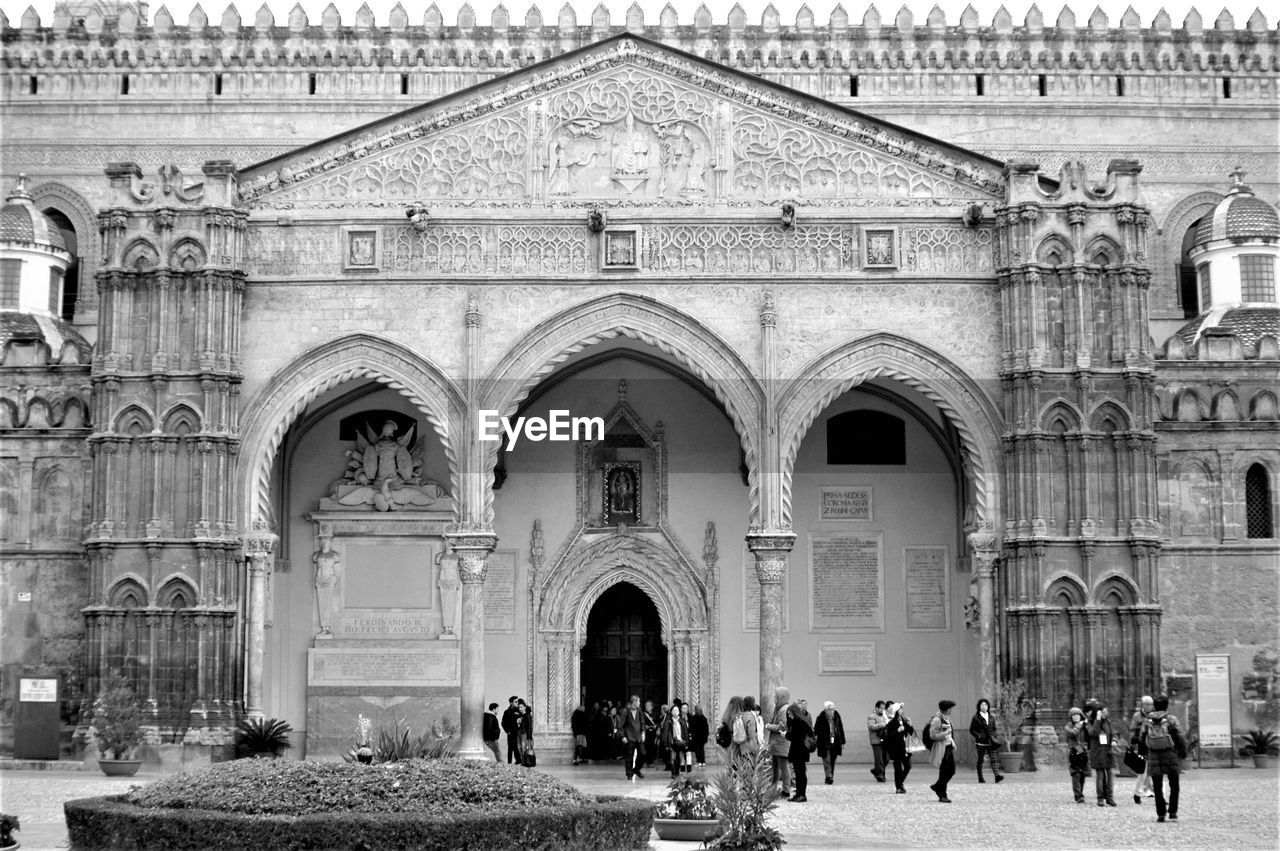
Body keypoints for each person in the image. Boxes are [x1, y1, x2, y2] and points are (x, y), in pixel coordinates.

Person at [1141, 695, 1187, 823]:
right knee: (1174, 784)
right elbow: (1180, 736)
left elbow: (1142, 736)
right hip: (1170, 753)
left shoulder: (1147, 720)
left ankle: (1161, 814)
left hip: (1154, 754)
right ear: (1167, 705)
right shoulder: (1171, 719)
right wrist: (1183, 751)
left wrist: (1144, 751)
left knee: (1157, 786)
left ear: (1155, 705)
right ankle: (1172, 812)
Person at [1085, 699, 1117, 806]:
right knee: (1100, 775)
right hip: (1097, 752)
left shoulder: (1108, 722)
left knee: (1110, 774)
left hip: (1108, 751)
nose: (1105, 714)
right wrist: (1097, 720)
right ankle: (1100, 798)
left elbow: (1114, 733)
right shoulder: (1090, 722)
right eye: (1102, 712)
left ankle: (1110, 797)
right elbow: (1093, 733)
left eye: (1105, 712)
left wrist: (1114, 741)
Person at [764, 686, 794, 799]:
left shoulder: (784, 709)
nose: (775, 698)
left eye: (776, 696)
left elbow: (782, 726)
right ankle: (773, 787)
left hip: (781, 743)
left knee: (783, 767)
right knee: (775, 766)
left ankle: (786, 789)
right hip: (777, 744)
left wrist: (769, 726)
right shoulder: (781, 708)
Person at [882, 701, 915, 794]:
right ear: (896, 711)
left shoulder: (904, 720)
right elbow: (888, 736)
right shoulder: (892, 722)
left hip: (905, 748)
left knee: (908, 766)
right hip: (896, 748)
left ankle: (900, 783)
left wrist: (910, 725)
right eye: (900, 709)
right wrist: (898, 730)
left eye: (902, 709)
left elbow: (910, 732)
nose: (902, 711)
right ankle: (898, 787)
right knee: (898, 768)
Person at [786, 698, 815, 802]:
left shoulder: (798, 722)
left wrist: (785, 734)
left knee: (800, 773)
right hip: (801, 751)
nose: (789, 715)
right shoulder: (801, 720)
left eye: (789, 713)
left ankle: (802, 794)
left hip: (799, 751)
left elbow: (795, 737)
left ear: (793, 713)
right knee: (799, 773)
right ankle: (799, 794)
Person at [968, 698, 1004, 783]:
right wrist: (979, 736)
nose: (984, 706)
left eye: (986, 705)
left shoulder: (991, 717)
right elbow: (972, 730)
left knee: (993, 759)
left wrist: (995, 734)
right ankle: (980, 777)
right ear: (979, 707)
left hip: (991, 741)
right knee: (981, 760)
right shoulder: (976, 718)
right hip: (981, 742)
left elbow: (994, 728)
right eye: (982, 705)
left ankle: (997, 776)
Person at [928, 699, 957, 803]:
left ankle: (937, 786)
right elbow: (932, 735)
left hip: (948, 747)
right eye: (950, 708)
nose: (951, 710)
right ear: (946, 709)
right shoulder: (937, 719)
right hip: (942, 748)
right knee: (944, 771)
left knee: (951, 770)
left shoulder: (947, 718)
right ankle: (942, 794)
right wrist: (944, 734)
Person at [1129, 695, 1155, 804]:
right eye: (1147, 704)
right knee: (1142, 772)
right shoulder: (1137, 715)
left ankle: (1159, 795)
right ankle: (1137, 793)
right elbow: (1132, 730)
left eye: (1151, 704)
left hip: (1154, 745)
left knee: (1157, 771)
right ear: (1143, 705)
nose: (1149, 706)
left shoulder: (1155, 715)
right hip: (1142, 746)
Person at [814, 700, 846, 785]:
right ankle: (829, 776)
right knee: (827, 759)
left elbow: (840, 729)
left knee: (832, 759)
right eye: (830, 709)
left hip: (835, 741)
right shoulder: (820, 718)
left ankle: (829, 776)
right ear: (825, 710)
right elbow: (816, 730)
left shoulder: (837, 716)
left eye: (833, 709)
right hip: (824, 742)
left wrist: (842, 742)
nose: (832, 711)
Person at [1064, 706, 1090, 803]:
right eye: (1073, 715)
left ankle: (1081, 793)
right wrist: (1079, 725)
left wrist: (1087, 725)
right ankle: (1077, 794)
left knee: (1083, 774)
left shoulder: (1085, 726)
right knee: (1076, 774)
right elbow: (1073, 733)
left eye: (1077, 715)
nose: (1075, 717)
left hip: (1084, 752)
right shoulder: (1068, 727)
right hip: (1074, 752)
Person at [620, 694, 646, 780]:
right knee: (629, 757)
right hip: (629, 737)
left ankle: (636, 769)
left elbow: (642, 723)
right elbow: (620, 725)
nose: (639, 703)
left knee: (643, 754)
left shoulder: (639, 711)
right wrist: (622, 736)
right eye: (638, 701)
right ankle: (629, 774)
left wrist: (643, 733)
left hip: (638, 737)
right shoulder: (625, 711)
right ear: (634, 702)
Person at [662, 701, 690, 778]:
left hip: (680, 742)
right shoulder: (668, 721)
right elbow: (665, 733)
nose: (675, 712)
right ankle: (673, 773)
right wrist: (665, 743)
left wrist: (686, 742)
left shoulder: (682, 721)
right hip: (672, 742)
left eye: (677, 710)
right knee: (672, 758)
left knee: (679, 758)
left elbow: (685, 732)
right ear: (671, 712)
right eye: (674, 710)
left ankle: (677, 772)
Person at [731, 695, 761, 765]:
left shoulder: (741, 715)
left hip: (742, 746)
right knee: (750, 769)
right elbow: (752, 735)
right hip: (749, 748)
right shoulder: (750, 717)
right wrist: (755, 749)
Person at [866, 699, 888, 782]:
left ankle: (876, 770)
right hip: (876, 741)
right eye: (881, 708)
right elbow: (871, 726)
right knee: (879, 759)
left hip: (883, 740)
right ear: (876, 708)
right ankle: (880, 775)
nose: (882, 710)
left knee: (886, 758)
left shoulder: (883, 716)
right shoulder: (872, 716)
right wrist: (881, 725)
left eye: (883, 708)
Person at [501, 695, 520, 764]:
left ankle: (518, 761)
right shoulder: (507, 712)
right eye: (515, 702)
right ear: (511, 703)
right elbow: (503, 723)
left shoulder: (519, 711)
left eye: (518, 701)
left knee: (517, 748)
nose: (517, 703)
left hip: (518, 733)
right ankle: (509, 763)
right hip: (511, 733)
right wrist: (507, 731)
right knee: (510, 748)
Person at [516, 701, 534, 766]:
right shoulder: (520, 715)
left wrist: (529, 737)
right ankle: (523, 761)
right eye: (519, 707)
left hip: (524, 733)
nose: (520, 708)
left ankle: (525, 762)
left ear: (525, 707)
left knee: (524, 747)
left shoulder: (527, 716)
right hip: (519, 732)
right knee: (519, 747)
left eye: (521, 707)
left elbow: (529, 727)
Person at [642, 699, 659, 767]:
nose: (647, 707)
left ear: (652, 707)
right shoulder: (643, 714)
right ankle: (645, 761)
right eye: (646, 705)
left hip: (653, 733)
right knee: (645, 747)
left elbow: (659, 723)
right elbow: (641, 722)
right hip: (646, 733)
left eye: (649, 706)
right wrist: (644, 726)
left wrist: (656, 726)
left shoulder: (656, 714)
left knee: (652, 748)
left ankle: (651, 762)